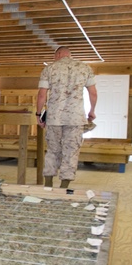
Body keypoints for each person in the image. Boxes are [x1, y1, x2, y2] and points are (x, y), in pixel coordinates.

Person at [36, 46, 97, 189]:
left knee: (53, 150)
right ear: (69, 54)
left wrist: (39, 114)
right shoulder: (85, 68)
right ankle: (64, 187)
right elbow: (93, 93)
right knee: (71, 151)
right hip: (75, 119)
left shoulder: (49, 69)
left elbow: (41, 95)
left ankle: (48, 185)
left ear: (58, 54)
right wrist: (92, 111)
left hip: (54, 118)